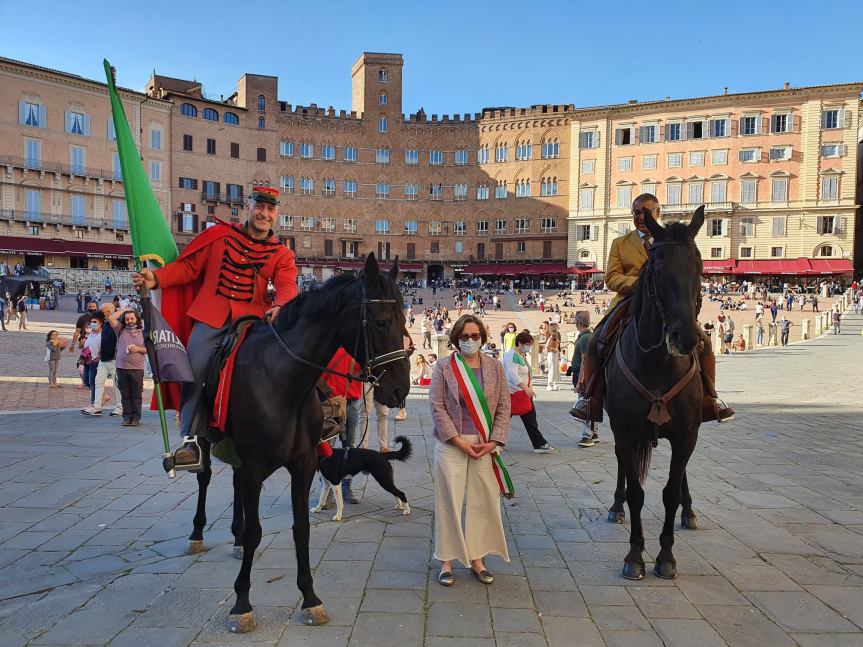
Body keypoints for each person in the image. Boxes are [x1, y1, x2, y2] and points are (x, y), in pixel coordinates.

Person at [132, 185, 298, 465]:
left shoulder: (282, 254)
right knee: (194, 370)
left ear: (277, 215)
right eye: (260, 206)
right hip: (211, 315)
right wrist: (156, 279)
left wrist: (280, 305)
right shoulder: (218, 236)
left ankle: (303, 422)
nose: (264, 214)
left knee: (286, 365)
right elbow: (188, 268)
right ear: (248, 207)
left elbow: (287, 284)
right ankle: (192, 443)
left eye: (270, 210)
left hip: (254, 322)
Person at [570, 193, 734, 424]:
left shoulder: (671, 241)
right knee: (598, 338)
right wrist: (637, 283)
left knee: (703, 341)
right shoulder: (621, 243)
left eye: (646, 211)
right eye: (636, 212)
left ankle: (709, 399)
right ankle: (590, 400)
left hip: (665, 304)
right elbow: (612, 278)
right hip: (630, 300)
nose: (641, 216)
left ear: (658, 213)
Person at [429, 314, 511, 586]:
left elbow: (503, 407)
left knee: (483, 501)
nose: (470, 340)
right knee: (449, 502)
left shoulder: (495, 367)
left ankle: (477, 558)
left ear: (483, 338)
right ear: (456, 338)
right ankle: (447, 560)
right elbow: (437, 406)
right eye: (464, 336)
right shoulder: (444, 366)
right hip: (452, 443)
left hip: (484, 442)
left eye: (475, 336)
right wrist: (457, 439)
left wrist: (495, 441)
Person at [503, 331, 554, 453]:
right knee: (503, 420)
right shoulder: (511, 355)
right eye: (527, 344)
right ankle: (539, 444)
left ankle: (539, 444)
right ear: (520, 343)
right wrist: (526, 388)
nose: (529, 347)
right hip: (514, 394)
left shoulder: (521, 355)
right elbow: (512, 375)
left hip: (523, 394)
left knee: (529, 419)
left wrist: (529, 388)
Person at [109, 307, 147, 426]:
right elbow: (111, 317)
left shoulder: (144, 332)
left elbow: (150, 349)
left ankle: (136, 417)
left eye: (132, 318)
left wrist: (138, 349)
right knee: (125, 394)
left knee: (136, 394)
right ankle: (126, 417)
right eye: (127, 319)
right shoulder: (120, 329)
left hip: (137, 368)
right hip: (121, 367)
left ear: (136, 319)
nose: (130, 321)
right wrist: (125, 309)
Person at [84, 303, 123, 416]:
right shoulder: (105, 323)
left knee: (116, 385)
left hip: (114, 359)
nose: (101, 312)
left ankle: (120, 406)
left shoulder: (116, 323)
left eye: (103, 310)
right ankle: (97, 406)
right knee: (98, 382)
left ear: (109, 311)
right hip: (103, 359)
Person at [81, 312, 104, 408]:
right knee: (85, 380)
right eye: (91, 322)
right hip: (86, 360)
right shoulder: (91, 334)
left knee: (93, 382)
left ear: (100, 323)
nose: (92, 324)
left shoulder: (102, 335)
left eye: (95, 322)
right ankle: (102, 396)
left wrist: (98, 357)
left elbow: (104, 348)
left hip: (95, 361)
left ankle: (94, 403)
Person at [545, 322, 561, 391]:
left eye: (556, 326)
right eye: (554, 326)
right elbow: (547, 346)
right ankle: (549, 384)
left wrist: (558, 352)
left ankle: (555, 383)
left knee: (556, 368)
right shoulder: (550, 336)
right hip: (551, 353)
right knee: (551, 368)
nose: (556, 328)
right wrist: (553, 349)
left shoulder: (557, 335)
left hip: (556, 353)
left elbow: (558, 345)